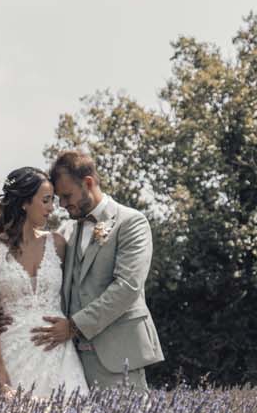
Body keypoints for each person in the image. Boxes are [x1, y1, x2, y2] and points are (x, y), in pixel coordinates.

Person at [19, 150, 163, 390]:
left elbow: (127, 288)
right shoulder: (68, 232)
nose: (62, 205)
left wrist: (73, 326)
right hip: (70, 362)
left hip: (118, 357)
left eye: (67, 196)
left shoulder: (131, 223)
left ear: (88, 183)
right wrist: (15, 317)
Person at [0, 166, 88, 408]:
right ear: (25, 203)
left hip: (59, 354)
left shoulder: (58, 244)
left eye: (53, 201)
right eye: (46, 201)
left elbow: (76, 294)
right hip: (11, 353)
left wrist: (74, 328)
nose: (52, 208)